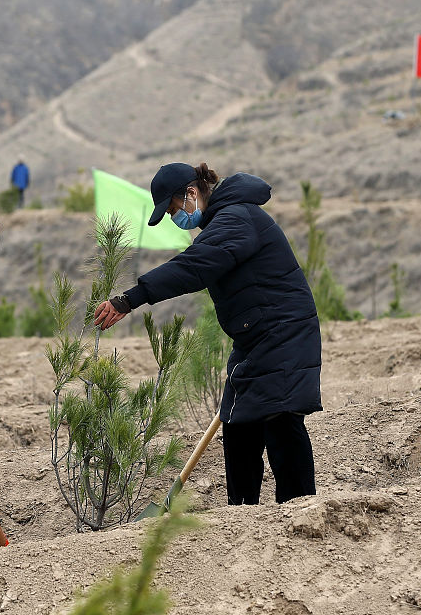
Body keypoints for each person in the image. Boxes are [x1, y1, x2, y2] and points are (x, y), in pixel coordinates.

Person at [93, 162, 320, 506]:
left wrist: (131, 298)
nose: (175, 218)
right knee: (238, 422)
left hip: (283, 334)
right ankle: (240, 514)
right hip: (255, 338)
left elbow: (194, 267)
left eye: (173, 209)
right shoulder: (223, 221)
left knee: (280, 420)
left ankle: (301, 512)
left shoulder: (236, 218)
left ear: (191, 193)